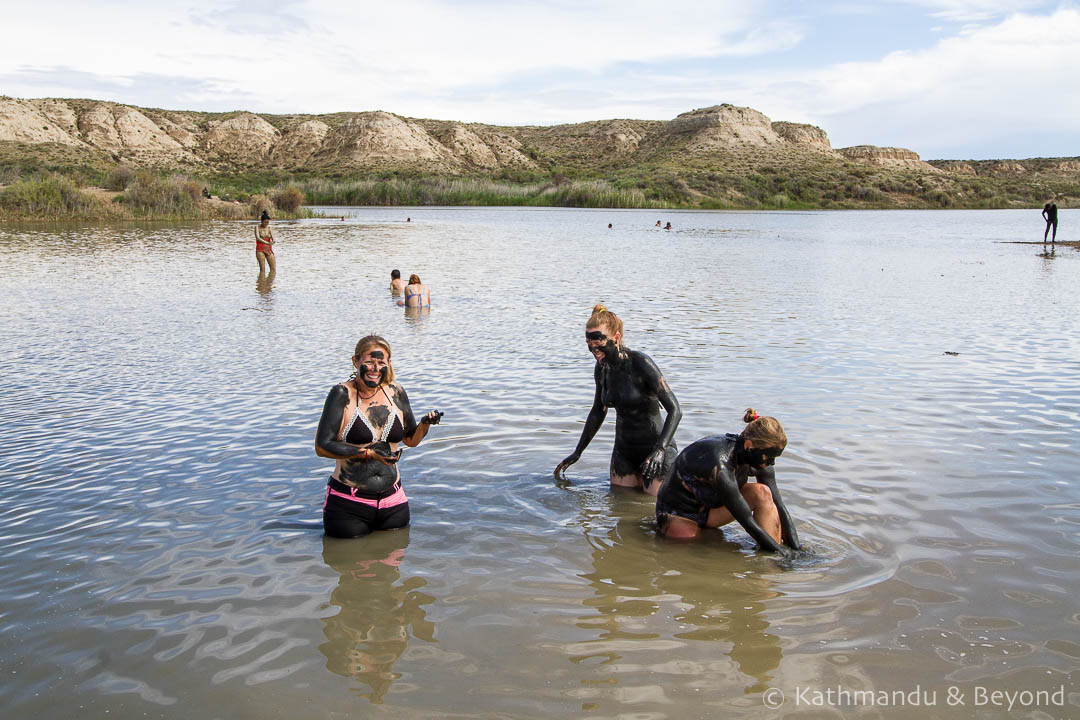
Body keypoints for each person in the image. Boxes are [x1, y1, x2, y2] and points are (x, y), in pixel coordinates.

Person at [315, 335, 443, 538]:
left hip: (394, 502)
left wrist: (424, 424)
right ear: (355, 361)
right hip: (349, 505)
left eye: (381, 363)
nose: (375, 368)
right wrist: (368, 454)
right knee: (351, 567)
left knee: (394, 565)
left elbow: (411, 440)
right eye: (369, 362)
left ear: (389, 364)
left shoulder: (396, 392)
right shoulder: (341, 394)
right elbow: (322, 447)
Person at [554, 304, 681, 495]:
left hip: (655, 450)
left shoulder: (640, 363)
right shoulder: (602, 369)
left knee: (655, 510)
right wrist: (578, 452)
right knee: (622, 508)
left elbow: (675, 410)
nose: (594, 350)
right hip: (624, 452)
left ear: (617, 338)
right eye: (590, 345)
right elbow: (598, 411)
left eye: (599, 344)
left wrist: (660, 450)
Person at [655, 409, 800, 554]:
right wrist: (780, 552)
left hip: (710, 511)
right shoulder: (720, 465)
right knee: (688, 548)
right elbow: (746, 520)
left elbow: (779, 505)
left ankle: (771, 563)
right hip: (679, 514)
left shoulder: (759, 460)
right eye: (769, 458)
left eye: (774, 458)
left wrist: (796, 549)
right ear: (749, 445)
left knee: (763, 493)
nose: (772, 463)